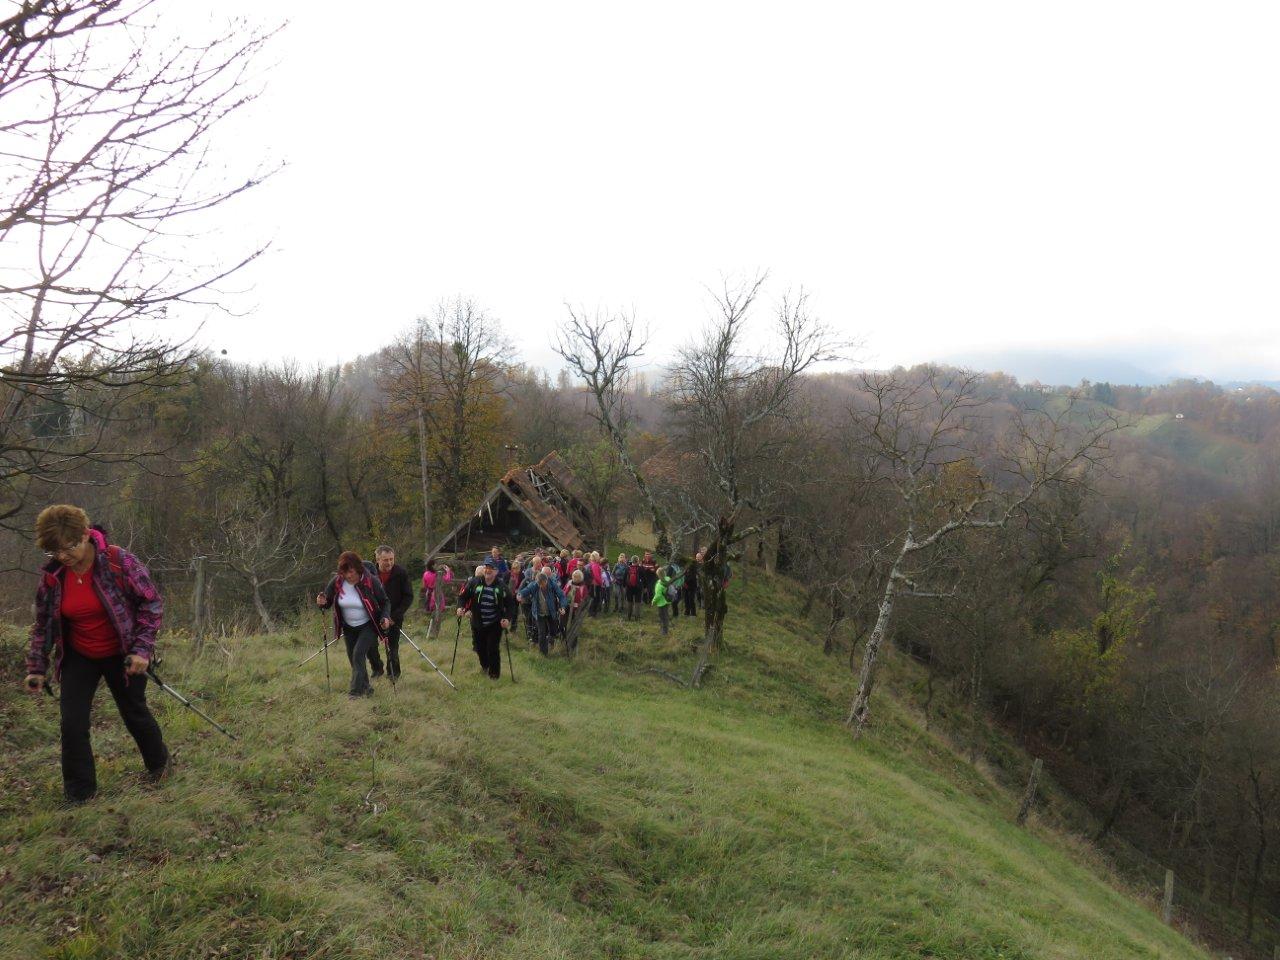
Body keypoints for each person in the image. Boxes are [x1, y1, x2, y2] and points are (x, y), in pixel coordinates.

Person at [23, 506, 170, 804]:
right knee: (72, 724)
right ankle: (80, 795)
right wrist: (37, 667)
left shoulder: (118, 561)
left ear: (85, 535)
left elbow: (151, 604)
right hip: (80, 654)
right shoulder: (54, 576)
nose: (63, 556)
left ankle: (160, 767)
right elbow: (44, 623)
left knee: (134, 712)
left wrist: (142, 649)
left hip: (122, 651)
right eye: (54, 551)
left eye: (68, 547)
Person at [316, 551, 392, 697]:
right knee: (354, 659)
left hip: (369, 625)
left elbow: (385, 602)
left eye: (351, 572)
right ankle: (367, 689)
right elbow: (327, 602)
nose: (349, 576)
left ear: (358, 568)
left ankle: (355, 693)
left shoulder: (370, 581)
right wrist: (322, 602)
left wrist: (385, 617)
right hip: (348, 627)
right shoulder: (337, 582)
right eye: (345, 572)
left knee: (358, 654)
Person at [456, 560, 512, 679]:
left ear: (496, 571)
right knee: (480, 648)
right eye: (486, 568)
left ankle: (494, 675)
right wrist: (460, 607)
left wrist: (507, 618)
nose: (488, 570)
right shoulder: (474, 582)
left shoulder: (501, 586)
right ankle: (485, 666)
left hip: (495, 622)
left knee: (492, 648)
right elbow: (463, 597)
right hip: (477, 621)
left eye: (491, 568)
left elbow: (510, 604)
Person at [373, 545, 412, 679]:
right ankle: (377, 669)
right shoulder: (370, 574)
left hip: (394, 617)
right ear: (378, 559)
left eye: (391, 559)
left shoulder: (401, 573)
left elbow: (408, 596)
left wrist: (394, 617)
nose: (389, 563)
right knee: (370, 646)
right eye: (385, 560)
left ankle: (393, 674)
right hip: (374, 616)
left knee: (393, 647)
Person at [518, 569, 568, 656]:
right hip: (539, 613)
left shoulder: (553, 584)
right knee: (542, 632)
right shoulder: (534, 585)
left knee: (553, 630)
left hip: (551, 612)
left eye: (543, 584)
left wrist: (562, 607)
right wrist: (519, 595)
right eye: (539, 584)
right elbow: (525, 591)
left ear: (546, 581)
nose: (541, 586)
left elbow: (562, 596)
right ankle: (543, 653)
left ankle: (550, 641)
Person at [652, 564, 675, 636]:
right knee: (666, 615)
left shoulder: (659, 584)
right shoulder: (668, 579)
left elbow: (658, 595)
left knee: (662, 617)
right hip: (668, 600)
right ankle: (665, 629)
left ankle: (664, 631)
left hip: (661, 602)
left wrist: (653, 602)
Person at [682, 550, 702, 618]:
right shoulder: (686, 568)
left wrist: (686, 581)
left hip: (692, 586)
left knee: (691, 600)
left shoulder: (694, 568)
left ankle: (693, 613)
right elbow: (684, 575)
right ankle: (687, 612)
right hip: (685, 586)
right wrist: (683, 582)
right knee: (686, 599)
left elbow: (692, 577)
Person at [624, 554, 642, 620]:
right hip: (638, 587)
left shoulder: (627, 568)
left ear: (631, 561)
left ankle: (629, 616)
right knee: (637, 601)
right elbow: (644, 578)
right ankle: (637, 617)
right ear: (638, 561)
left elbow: (624, 577)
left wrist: (624, 585)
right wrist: (645, 587)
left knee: (629, 601)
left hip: (629, 587)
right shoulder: (640, 568)